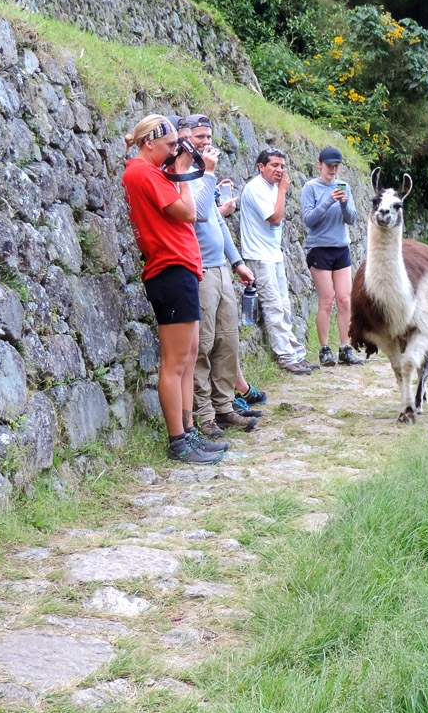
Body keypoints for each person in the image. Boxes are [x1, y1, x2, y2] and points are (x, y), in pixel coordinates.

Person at [121, 115, 228, 465]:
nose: (173, 152)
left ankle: (188, 431)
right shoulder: (141, 172)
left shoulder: (152, 172)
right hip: (169, 269)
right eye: (168, 146)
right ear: (148, 142)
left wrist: (179, 169)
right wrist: (183, 171)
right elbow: (188, 210)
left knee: (187, 357)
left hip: (179, 268)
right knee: (175, 362)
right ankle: (178, 441)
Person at [176, 113, 259, 438]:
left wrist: (236, 262)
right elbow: (195, 215)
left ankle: (225, 407)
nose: (206, 142)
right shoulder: (183, 175)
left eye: (208, 137)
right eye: (199, 137)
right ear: (183, 138)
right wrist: (208, 173)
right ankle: (204, 414)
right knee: (204, 344)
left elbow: (217, 222)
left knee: (228, 340)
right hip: (199, 271)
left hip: (221, 269)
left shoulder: (202, 175)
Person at [239, 147, 316, 376]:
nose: (280, 170)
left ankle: (297, 355)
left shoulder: (272, 188)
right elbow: (274, 219)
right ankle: (285, 357)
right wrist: (282, 191)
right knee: (274, 307)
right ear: (260, 167)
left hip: (273, 254)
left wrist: (279, 190)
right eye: (274, 165)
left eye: (282, 166)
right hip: (259, 256)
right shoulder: (256, 188)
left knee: (284, 306)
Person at [301, 146, 364, 367]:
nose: (333, 170)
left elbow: (352, 219)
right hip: (319, 249)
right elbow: (309, 220)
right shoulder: (310, 187)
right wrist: (328, 200)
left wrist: (345, 203)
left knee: (345, 300)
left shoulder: (344, 186)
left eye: (336, 166)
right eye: (329, 166)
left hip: (341, 248)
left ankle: (345, 347)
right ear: (320, 164)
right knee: (326, 301)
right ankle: (324, 348)